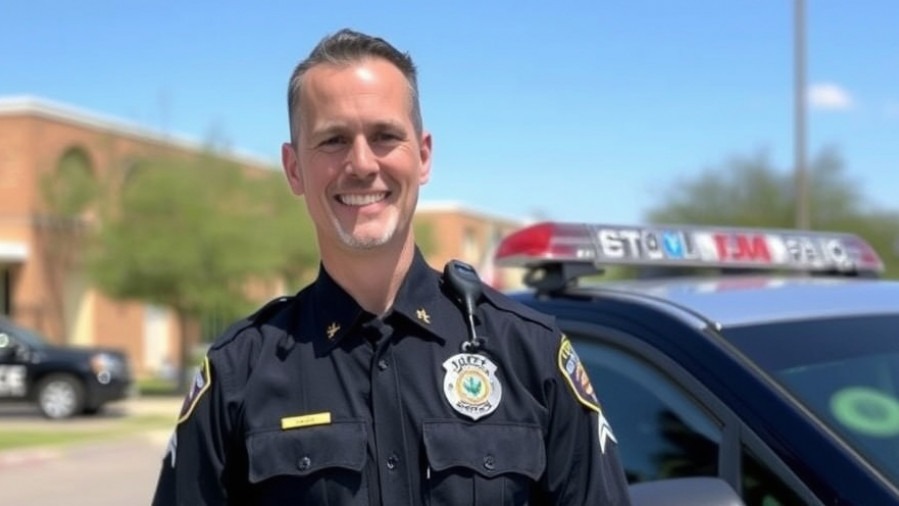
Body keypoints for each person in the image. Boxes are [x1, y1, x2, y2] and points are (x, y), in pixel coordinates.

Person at [151, 28, 632, 505]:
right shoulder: (240, 372)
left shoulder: (529, 352)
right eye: (333, 140)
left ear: (423, 156)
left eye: (384, 136)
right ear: (294, 168)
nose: (361, 164)